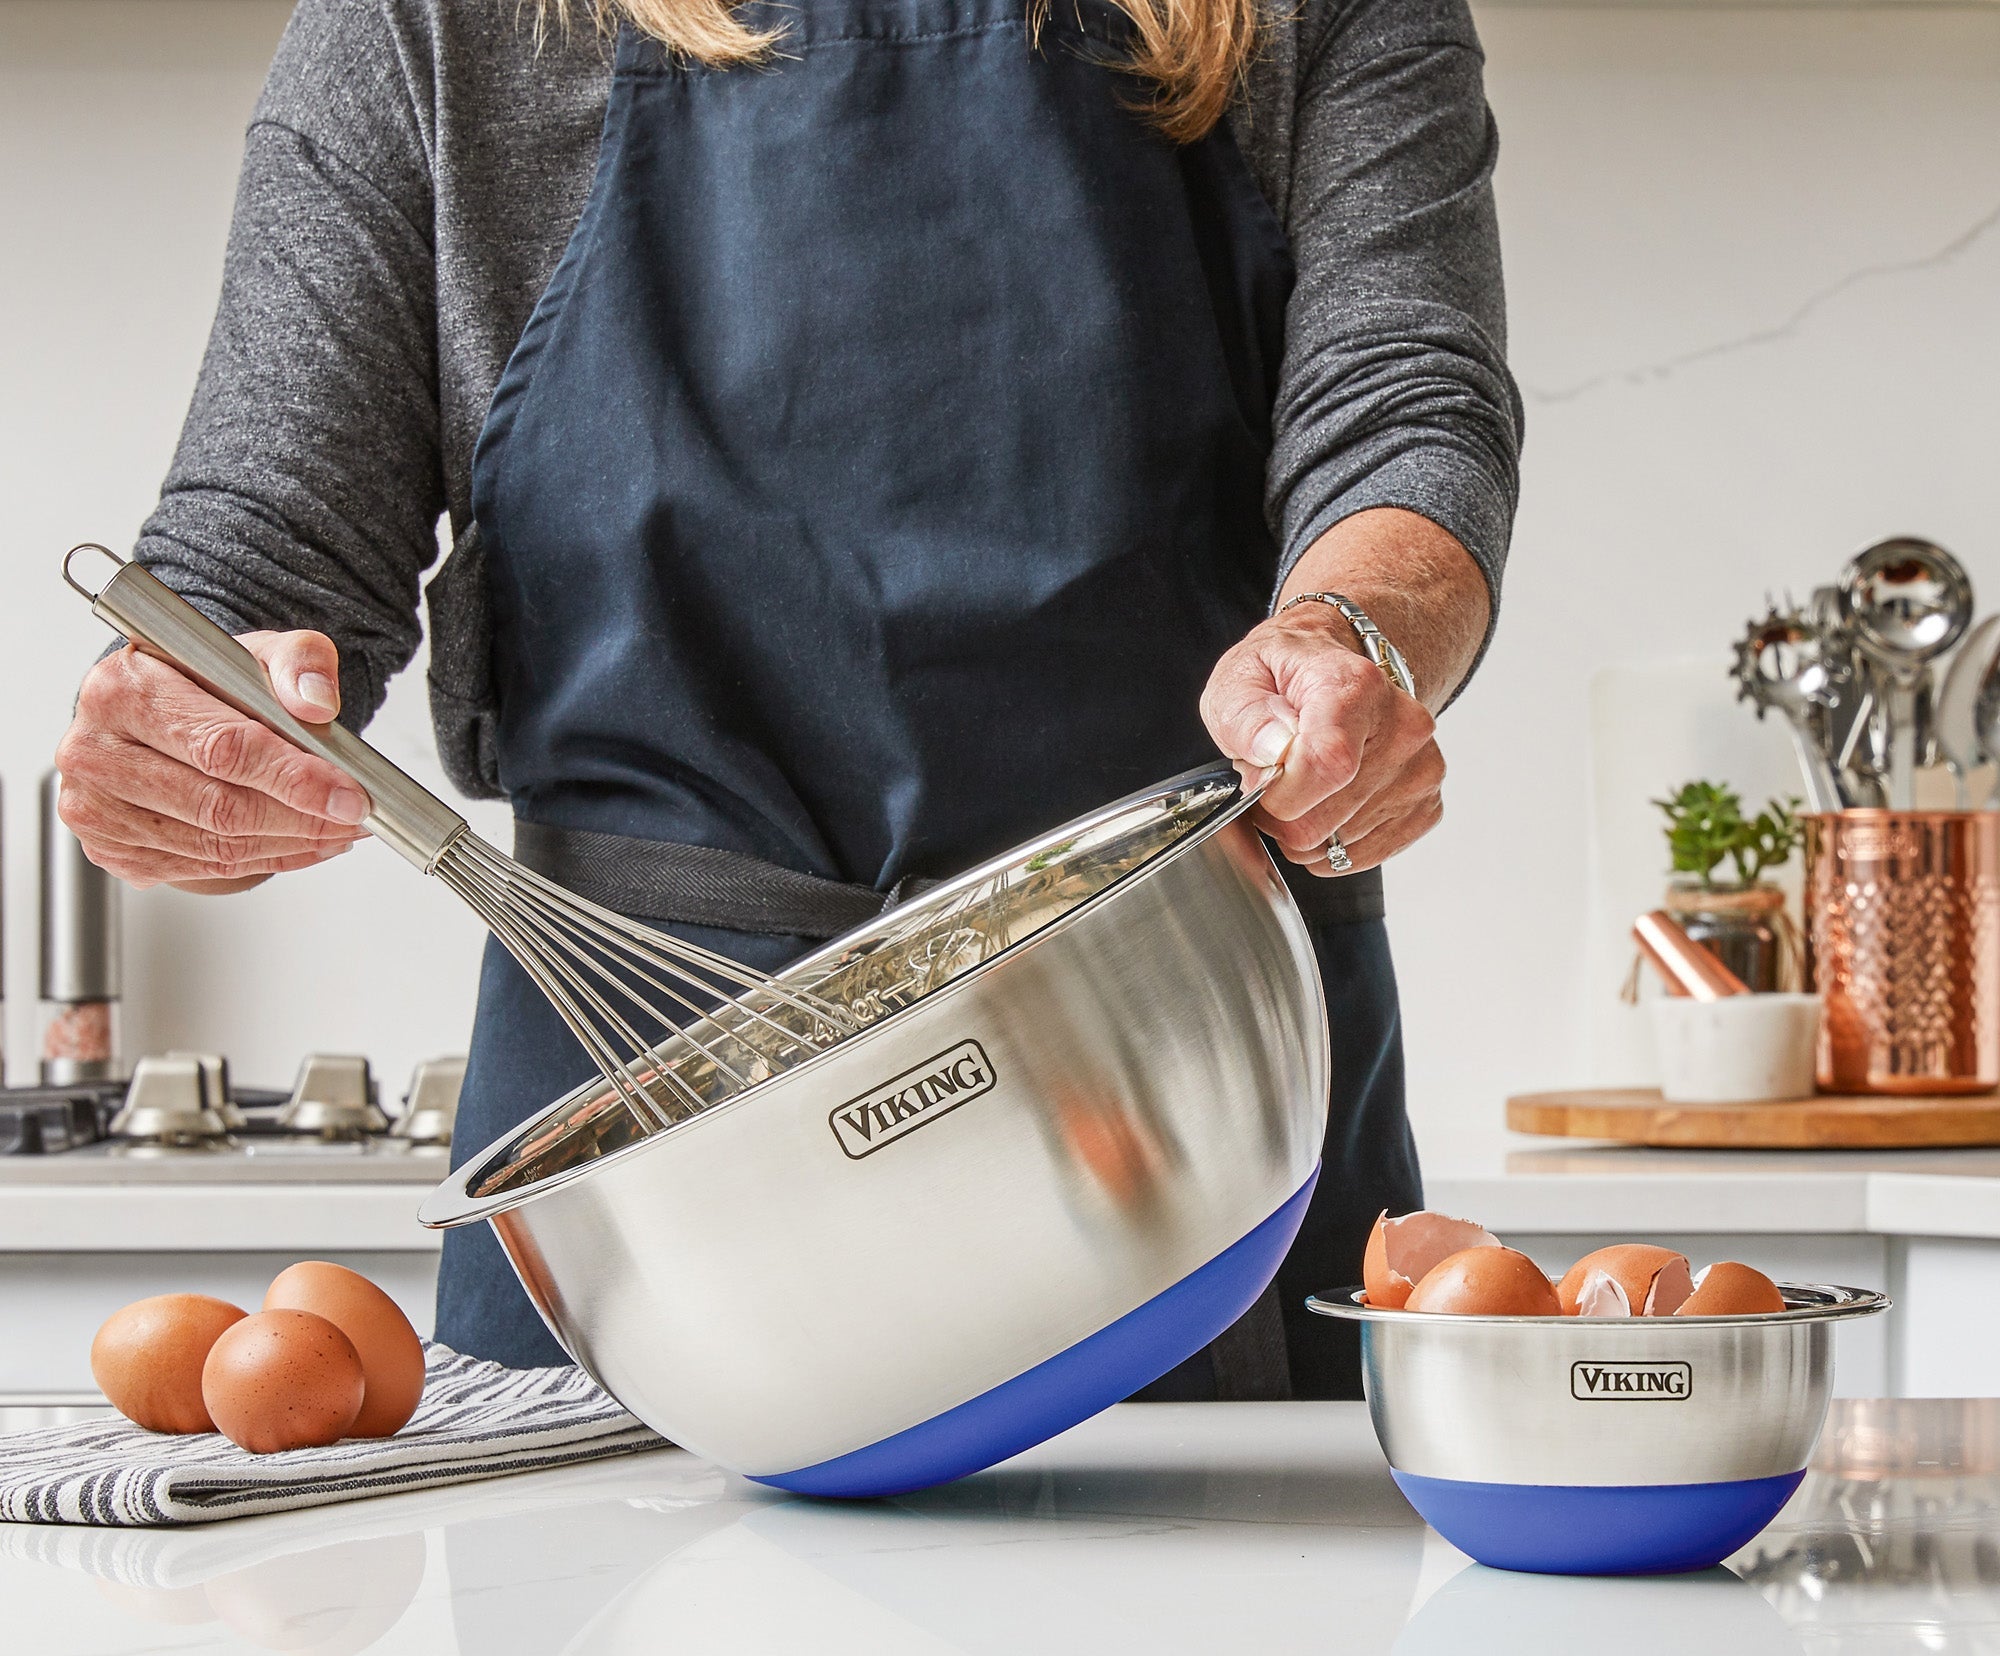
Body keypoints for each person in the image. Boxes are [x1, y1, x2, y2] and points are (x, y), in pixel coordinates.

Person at [55, 0, 1521, 1390]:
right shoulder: (439, 25)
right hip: (655, 1154)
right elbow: (264, 554)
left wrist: (1353, 635)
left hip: (1187, 1110)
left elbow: (1405, 406)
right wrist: (189, 732)